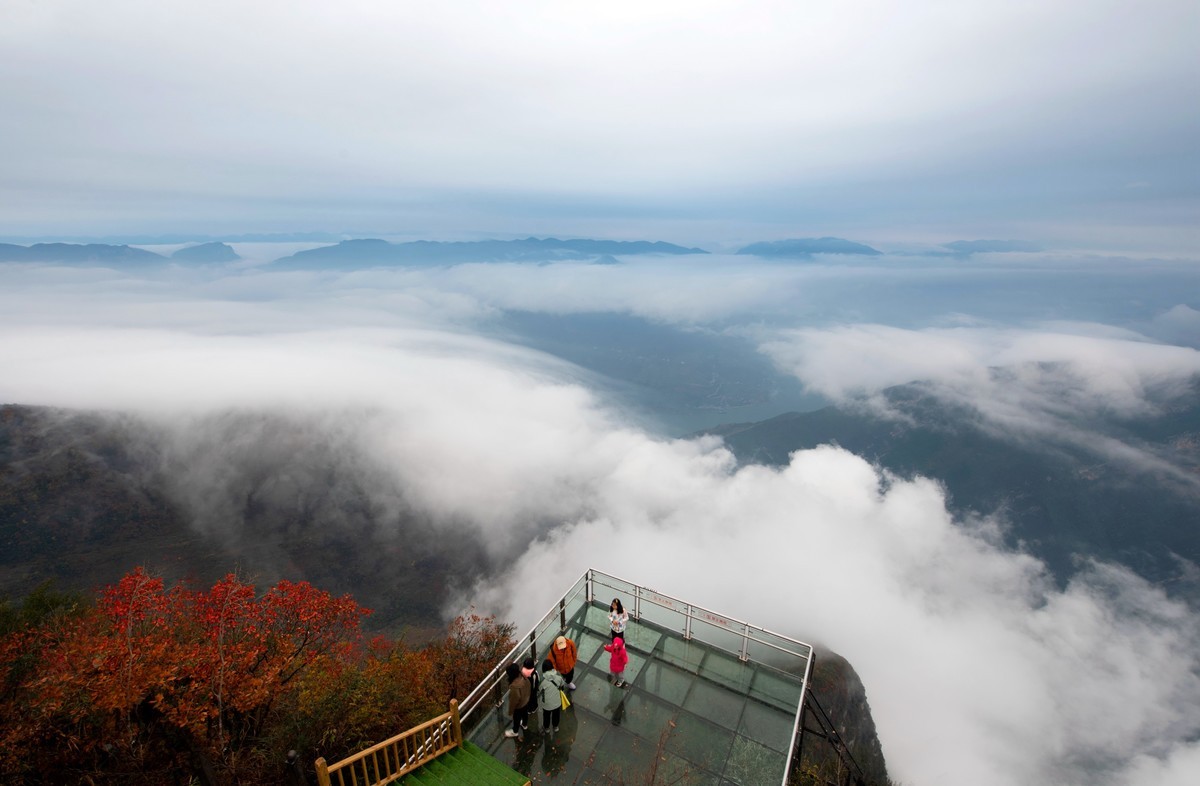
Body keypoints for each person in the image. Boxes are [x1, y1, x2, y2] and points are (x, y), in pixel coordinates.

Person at [537, 659, 568, 733]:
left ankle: (546, 728)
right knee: (556, 715)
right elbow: (562, 686)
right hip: (557, 702)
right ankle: (555, 727)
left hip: (546, 704)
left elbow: (539, 690)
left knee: (546, 716)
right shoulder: (558, 677)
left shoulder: (542, 680)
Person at [503, 662, 531, 739]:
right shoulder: (523, 676)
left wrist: (511, 711)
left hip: (519, 705)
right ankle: (524, 725)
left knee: (516, 718)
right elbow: (528, 685)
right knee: (525, 714)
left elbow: (514, 700)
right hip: (526, 700)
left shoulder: (514, 686)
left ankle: (515, 731)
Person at [521, 657, 540, 724]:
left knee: (527, 701)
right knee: (533, 699)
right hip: (532, 691)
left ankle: (528, 710)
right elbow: (537, 682)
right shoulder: (534, 673)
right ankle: (534, 708)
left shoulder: (522, 673)